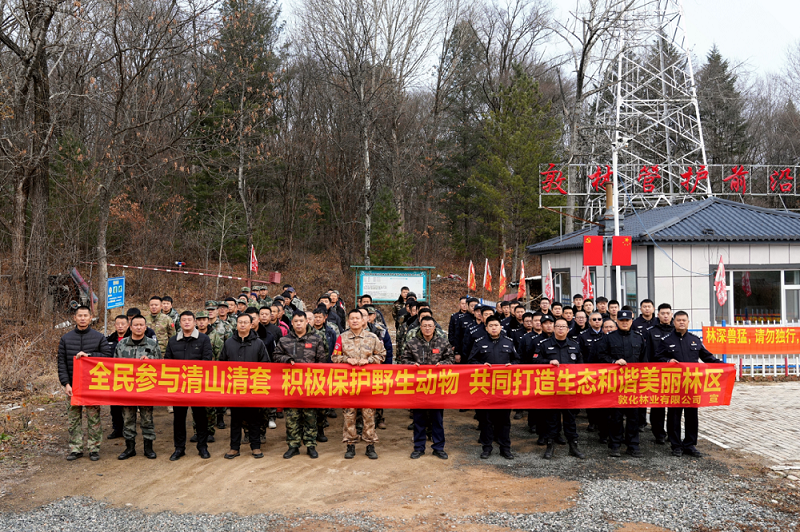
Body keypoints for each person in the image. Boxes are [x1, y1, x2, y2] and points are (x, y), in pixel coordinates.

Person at [654, 310, 722, 458]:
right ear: (674, 322)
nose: (681, 322)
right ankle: (676, 445)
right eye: (678, 320)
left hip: (692, 384)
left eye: (684, 320)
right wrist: (668, 361)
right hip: (674, 384)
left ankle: (690, 444)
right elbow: (657, 357)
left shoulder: (695, 340)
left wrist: (724, 365)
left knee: (692, 415)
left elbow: (707, 357)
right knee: (674, 416)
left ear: (688, 322)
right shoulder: (666, 340)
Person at [57, 305, 112, 461]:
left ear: (90, 317)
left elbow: (107, 357)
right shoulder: (66, 339)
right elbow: (61, 363)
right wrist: (66, 384)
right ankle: (76, 448)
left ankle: (94, 448)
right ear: (74, 318)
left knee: (93, 419)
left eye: (85, 315)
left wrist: (89, 355)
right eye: (79, 316)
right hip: (73, 386)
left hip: (92, 386)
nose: (82, 318)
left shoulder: (99, 337)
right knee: (74, 419)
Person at [331, 309, 386, 459]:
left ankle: (370, 445)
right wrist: (346, 360)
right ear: (348, 321)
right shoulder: (342, 338)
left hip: (368, 383)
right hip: (348, 383)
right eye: (352, 318)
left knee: (369, 414)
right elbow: (334, 357)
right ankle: (350, 444)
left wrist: (368, 360)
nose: (355, 321)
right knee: (349, 415)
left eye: (357, 318)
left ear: (363, 321)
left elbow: (382, 355)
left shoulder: (372, 337)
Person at [273, 312, 327, 459]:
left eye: (301, 321)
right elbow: (276, 356)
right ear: (292, 322)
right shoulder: (284, 340)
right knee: (292, 417)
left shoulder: (316, 339)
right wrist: (286, 359)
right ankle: (293, 445)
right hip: (291, 385)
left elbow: (322, 361)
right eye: (295, 321)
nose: (298, 323)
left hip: (310, 385)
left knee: (310, 417)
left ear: (306, 322)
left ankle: (310, 445)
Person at [400, 316, 455, 459]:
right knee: (419, 419)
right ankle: (419, 448)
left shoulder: (443, 342)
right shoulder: (412, 343)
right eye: (424, 326)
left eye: (430, 325)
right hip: (418, 387)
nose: (427, 328)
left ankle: (438, 447)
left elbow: (451, 359)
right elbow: (403, 360)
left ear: (434, 327)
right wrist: (412, 365)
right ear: (420, 327)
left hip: (437, 387)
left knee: (437, 419)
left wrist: (443, 364)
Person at [596, 310, 647, 458]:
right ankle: (615, 445)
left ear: (631, 321)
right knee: (616, 416)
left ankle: (633, 445)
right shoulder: (608, 338)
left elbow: (644, 360)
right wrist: (613, 361)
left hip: (633, 384)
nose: (624, 323)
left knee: (634, 416)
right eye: (621, 320)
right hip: (615, 384)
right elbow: (601, 356)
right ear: (617, 321)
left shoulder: (638, 338)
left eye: (627, 320)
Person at [219, 313, 270, 459]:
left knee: (254, 418)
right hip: (235, 388)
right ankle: (234, 447)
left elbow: (266, 365)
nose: (242, 325)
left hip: (253, 388)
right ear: (236, 324)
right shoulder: (229, 343)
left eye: (245, 322)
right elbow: (221, 364)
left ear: (251, 325)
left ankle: (255, 446)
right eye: (240, 322)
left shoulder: (258, 343)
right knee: (235, 419)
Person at [164, 311, 213, 461]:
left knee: (200, 417)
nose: (186, 322)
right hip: (179, 386)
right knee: (179, 418)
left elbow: (207, 360)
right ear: (180, 323)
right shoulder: (173, 341)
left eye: (189, 320)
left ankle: (202, 446)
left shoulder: (203, 339)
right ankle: (179, 448)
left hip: (197, 384)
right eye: (184, 320)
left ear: (194, 322)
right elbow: (167, 362)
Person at [469, 315, 518, 459]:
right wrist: (481, 365)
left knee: (504, 420)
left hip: (504, 387)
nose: (494, 328)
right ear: (486, 328)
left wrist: (512, 365)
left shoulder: (509, 342)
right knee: (486, 419)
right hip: (485, 388)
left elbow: (517, 360)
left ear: (501, 327)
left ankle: (505, 448)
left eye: (496, 325)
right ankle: (487, 447)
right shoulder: (479, 342)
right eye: (491, 326)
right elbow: (471, 361)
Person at [535, 318, 585, 460]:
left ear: (568, 329)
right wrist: (548, 362)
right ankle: (550, 447)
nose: (561, 329)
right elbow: (535, 361)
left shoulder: (574, 345)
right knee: (552, 420)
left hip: (569, 389)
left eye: (564, 326)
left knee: (570, 420)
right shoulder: (544, 345)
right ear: (554, 328)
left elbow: (581, 366)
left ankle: (573, 447)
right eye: (558, 326)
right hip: (552, 389)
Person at [114, 315, 162, 460]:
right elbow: (114, 366)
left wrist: (150, 361)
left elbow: (161, 365)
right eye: (136, 325)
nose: (139, 327)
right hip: (127, 388)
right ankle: (130, 448)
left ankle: (148, 448)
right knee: (128, 419)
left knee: (147, 419)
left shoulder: (152, 345)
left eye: (141, 325)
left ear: (146, 327)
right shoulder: (122, 345)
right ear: (130, 327)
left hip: (146, 388)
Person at [191, 310, 224, 444]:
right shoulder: (192, 335)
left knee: (209, 405)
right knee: (195, 404)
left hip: (210, 375)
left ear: (208, 321)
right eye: (199, 320)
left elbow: (220, 354)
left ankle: (209, 431)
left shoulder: (215, 335)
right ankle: (197, 431)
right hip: (194, 374)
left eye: (204, 320)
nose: (201, 322)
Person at [645, 303, 674, 444]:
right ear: (658, 315)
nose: (665, 316)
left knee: (674, 407)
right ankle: (659, 434)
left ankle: (672, 434)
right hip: (657, 374)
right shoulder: (651, 332)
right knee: (658, 406)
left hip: (674, 375)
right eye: (663, 313)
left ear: (671, 315)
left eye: (668, 313)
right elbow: (648, 354)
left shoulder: (676, 330)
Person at [580, 312, 608, 440]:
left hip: (607, 374)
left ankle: (603, 424)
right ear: (589, 321)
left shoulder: (607, 335)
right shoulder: (583, 336)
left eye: (599, 319)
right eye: (594, 319)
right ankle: (592, 422)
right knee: (591, 399)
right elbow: (580, 354)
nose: (597, 321)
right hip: (590, 372)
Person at [105, 314, 130, 440]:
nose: (120, 326)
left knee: (128, 405)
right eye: (118, 324)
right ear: (114, 325)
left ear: (128, 325)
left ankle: (128, 429)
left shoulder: (133, 339)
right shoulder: (108, 340)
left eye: (123, 324)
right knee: (114, 406)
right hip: (113, 378)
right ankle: (117, 429)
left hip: (129, 377)